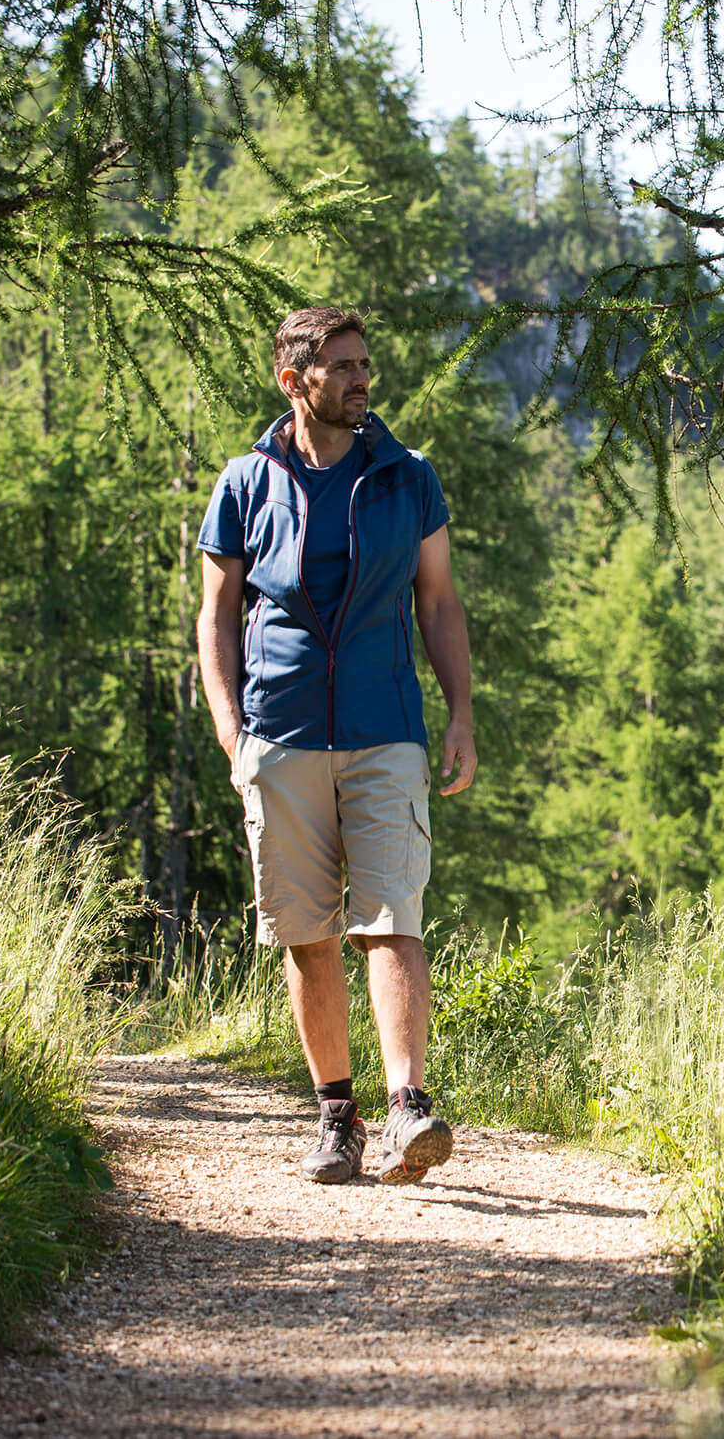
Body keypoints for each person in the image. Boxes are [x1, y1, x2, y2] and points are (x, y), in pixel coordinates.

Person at [195, 306, 476, 1185]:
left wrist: (460, 711)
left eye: (366, 364)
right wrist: (233, 731)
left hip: (386, 728)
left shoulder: (408, 475)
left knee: (391, 917)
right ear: (295, 381)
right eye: (343, 367)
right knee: (308, 935)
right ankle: (335, 1118)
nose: (362, 380)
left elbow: (437, 602)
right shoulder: (245, 482)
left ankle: (407, 1108)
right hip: (279, 736)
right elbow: (216, 616)